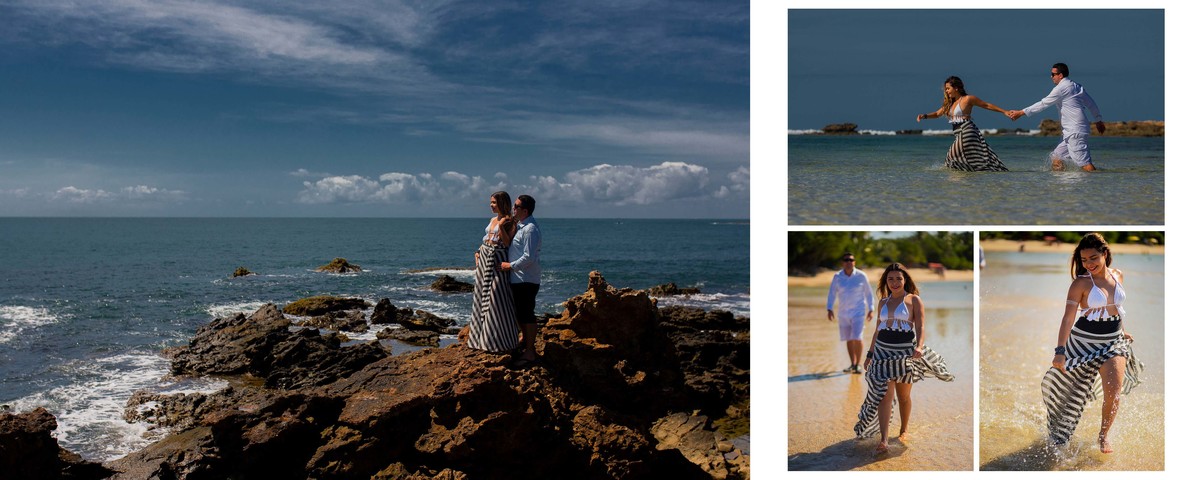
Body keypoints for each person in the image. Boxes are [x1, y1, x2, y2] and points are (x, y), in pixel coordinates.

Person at [1041, 233, 1143, 453]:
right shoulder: (1080, 283)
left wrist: (1122, 331)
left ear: (1105, 254)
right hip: (1083, 343)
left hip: (1113, 342)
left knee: (1113, 393)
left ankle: (1103, 435)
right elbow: (1068, 318)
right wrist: (1060, 351)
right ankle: (1058, 435)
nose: (1089, 264)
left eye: (1093, 258)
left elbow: (1117, 307)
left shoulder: (1118, 276)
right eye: (1084, 260)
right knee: (1070, 397)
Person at [854, 263, 954, 455]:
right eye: (890, 279)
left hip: (904, 353)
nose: (894, 282)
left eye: (898, 278)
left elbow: (921, 327)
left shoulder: (914, 300)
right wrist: (869, 354)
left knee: (904, 396)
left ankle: (903, 430)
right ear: (886, 281)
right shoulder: (883, 302)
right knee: (884, 395)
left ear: (905, 279)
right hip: (883, 352)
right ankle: (884, 439)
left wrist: (919, 346)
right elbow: (877, 330)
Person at [1006, 63, 1105, 171]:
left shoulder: (1061, 88)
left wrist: (1020, 113)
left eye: (1053, 74)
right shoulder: (1076, 86)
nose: (1051, 76)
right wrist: (1098, 120)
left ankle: (1097, 184)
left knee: (1085, 164)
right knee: (1056, 157)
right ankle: (1061, 185)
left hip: (1074, 131)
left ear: (1060, 75)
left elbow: (1043, 104)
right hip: (1073, 131)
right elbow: (1091, 104)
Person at [916, 76, 1010, 171]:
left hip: (967, 130)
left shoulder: (968, 99)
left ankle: (955, 179)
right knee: (961, 158)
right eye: (946, 89)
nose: (946, 91)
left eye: (948, 88)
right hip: (958, 133)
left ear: (956, 88)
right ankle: (964, 180)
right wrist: (924, 116)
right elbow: (937, 114)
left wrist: (1004, 111)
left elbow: (986, 105)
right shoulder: (950, 104)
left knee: (951, 155)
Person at [466, 191, 521, 353]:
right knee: (481, 296)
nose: (491, 205)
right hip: (484, 259)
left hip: (497, 259)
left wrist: (502, 227)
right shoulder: (492, 219)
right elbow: (486, 239)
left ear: (502, 203)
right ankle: (480, 339)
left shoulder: (510, 222)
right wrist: (478, 252)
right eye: (490, 202)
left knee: (497, 298)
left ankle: (498, 341)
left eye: (494, 203)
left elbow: (507, 243)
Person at [500, 194, 541, 367]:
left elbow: (529, 257)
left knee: (527, 314)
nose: (513, 209)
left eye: (516, 207)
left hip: (527, 279)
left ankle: (530, 352)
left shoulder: (530, 228)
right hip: (518, 279)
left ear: (525, 210)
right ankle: (524, 341)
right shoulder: (520, 225)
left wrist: (510, 266)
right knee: (520, 312)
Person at [826, 253, 874, 374]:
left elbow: (868, 293)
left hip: (858, 312)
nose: (849, 262)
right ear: (842, 262)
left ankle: (858, 364)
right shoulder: (837, 276)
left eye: (851, 260)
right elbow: (832, 293)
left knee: (857, 337)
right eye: (846, 260)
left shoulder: (861, 276)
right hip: (843, 313)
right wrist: (829, 308)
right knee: (848, 338)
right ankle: (852, 364)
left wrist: (871, 309)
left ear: (854, 262)